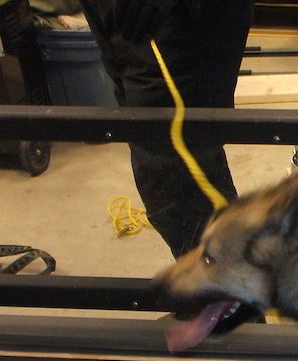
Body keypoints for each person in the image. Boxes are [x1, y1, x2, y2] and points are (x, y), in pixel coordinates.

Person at [78, 0, 255, 257]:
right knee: (154, 146)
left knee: (175, 169)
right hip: (113, 15)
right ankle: (221, 279)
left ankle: (224, 286)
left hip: (171, 20)